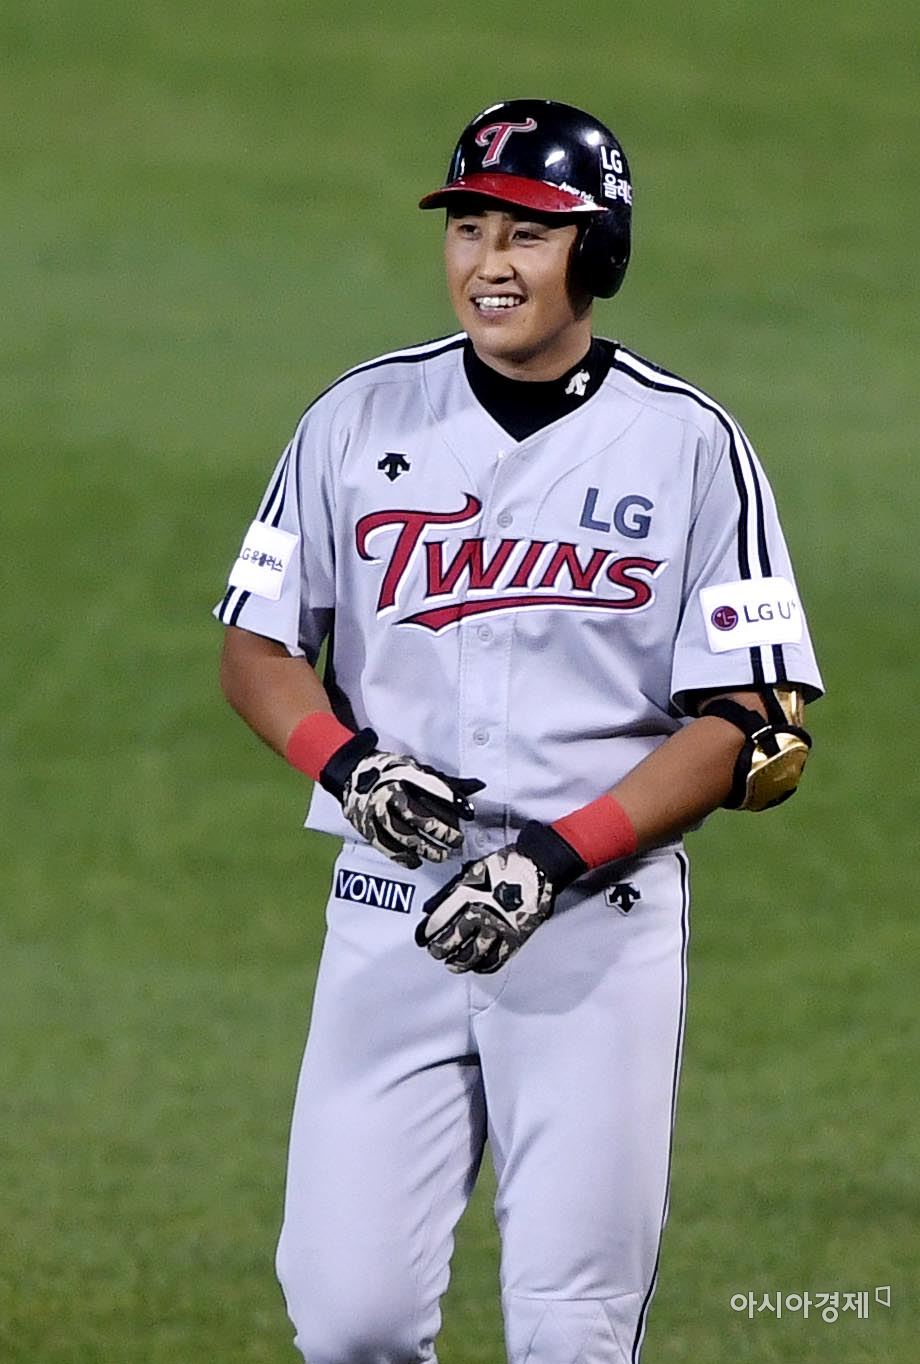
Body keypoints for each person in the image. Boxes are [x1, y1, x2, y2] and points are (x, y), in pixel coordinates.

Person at [214, 98, 823, 1364]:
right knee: (349, 1318)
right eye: (469, 229)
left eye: (527, 235)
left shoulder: (687, 445)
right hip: (388, 912)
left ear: (595, 253)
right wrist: (348, 764)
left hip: (592, 927)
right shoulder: (355, 418)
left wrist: (549, 857)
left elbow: (749, 712)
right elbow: (258, 646)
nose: (487, 263)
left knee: (569, 1329)